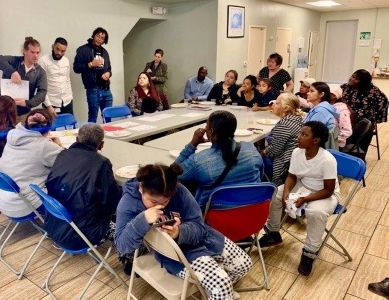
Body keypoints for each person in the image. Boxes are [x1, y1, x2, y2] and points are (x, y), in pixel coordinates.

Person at [115, 163, 252, 300]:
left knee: (245, 265)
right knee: (221, 285)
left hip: (201, 237)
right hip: (174, 254)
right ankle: (221, 292)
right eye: (153, 201)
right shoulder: (129, 203)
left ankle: (218, 292)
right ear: (140, 188)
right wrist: (143, 219)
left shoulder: (179, 190)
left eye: (166, 201)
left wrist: (179, 232)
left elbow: (199, 224)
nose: (160, 206)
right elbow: (121, 246)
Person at [259, 121, 340, 276]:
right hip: (302, 185)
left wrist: (305, 199)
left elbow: (328, 190)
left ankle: (309, 253)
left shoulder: (327, 160)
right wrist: (286, 192)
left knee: (316, 213)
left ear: (316, 140)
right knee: (275, 194)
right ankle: (273, 232)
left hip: (323, 192)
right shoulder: (297, 152)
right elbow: (291, 176)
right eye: (300, 133)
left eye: (304, 134)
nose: (298, 137)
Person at [45, 124, 121, 250]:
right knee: (126, 206)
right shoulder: (101, 163)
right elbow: (110, 204)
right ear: (101, 145)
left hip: (53, 226)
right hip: (81, 235)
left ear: (76, 139)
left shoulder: (62, 155)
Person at [175, 110, 263, 210]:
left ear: (211, 131)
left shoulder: (199, 160)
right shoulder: (251, 149)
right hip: (252, 212)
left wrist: (193, 144)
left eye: (206, 126)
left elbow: (172, 173)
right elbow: (259, 176)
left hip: (215, 218)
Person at [0, 109, 63, 218]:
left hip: (1, 199)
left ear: (25, 124)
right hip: (22, 206)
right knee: (68, 184)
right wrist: (58, 145)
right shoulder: (44, 146)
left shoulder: (12, 135)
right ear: (48, 130)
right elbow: (68, 164)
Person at [0, 37, 47, 120]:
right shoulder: (14, 61)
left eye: (38, 53)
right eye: (32, 52)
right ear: (24, 51)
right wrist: (12, 72)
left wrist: (28, 103)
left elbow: (42, 92)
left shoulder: (40, 72)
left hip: (23, 113)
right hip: (2, 111)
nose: (36, 56)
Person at [260, 93, 303, 186]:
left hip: (283, 164)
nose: (273, 104)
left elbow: (274, 151)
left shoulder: (284, 125)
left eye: (277, 103)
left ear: (286, 108)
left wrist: (262, 152)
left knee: (254, 158)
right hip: (293, 160)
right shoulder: (297, 119)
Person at [341, 69, 388, 152]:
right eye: (352, 76)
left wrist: (373, 116)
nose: (352, 79)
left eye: (356, 79)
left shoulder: (373, 91)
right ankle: (343, 152)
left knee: (364, 132)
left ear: (363, 81)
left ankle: (359, 156)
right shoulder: (345, 87)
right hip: (346, 119)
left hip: (363, 121)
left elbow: (384, 102)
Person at [73, 27, 113, 122]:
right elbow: (76, 68)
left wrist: (109, 73)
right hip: (93, 90)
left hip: (106, 89)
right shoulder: (83, 50)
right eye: (97, 36)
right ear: (93, 36)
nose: (99, 39)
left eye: (102, 38)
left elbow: (109, 69)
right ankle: (90, 137)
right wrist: (90, 64)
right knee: (92, 118)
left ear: (104, 40)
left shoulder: (105, 52)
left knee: (108, 118)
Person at [38, 37, 73, 119]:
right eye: (57, 49)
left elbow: (67, 79)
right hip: (51, 103)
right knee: (52, 129)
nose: (59, 53)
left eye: (63, 51)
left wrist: (70, 96)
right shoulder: (43, 61)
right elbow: (41, 86)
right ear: (52, 46)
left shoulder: (66, 61)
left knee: (70, 128)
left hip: (67, 101)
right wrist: (48, 105)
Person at [328, 85, 352, 149]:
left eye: (327, 93)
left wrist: (332, 139)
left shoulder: (341, 109)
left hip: (336, 144)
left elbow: (347, 131)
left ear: (334, 96)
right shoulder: (328, 106)